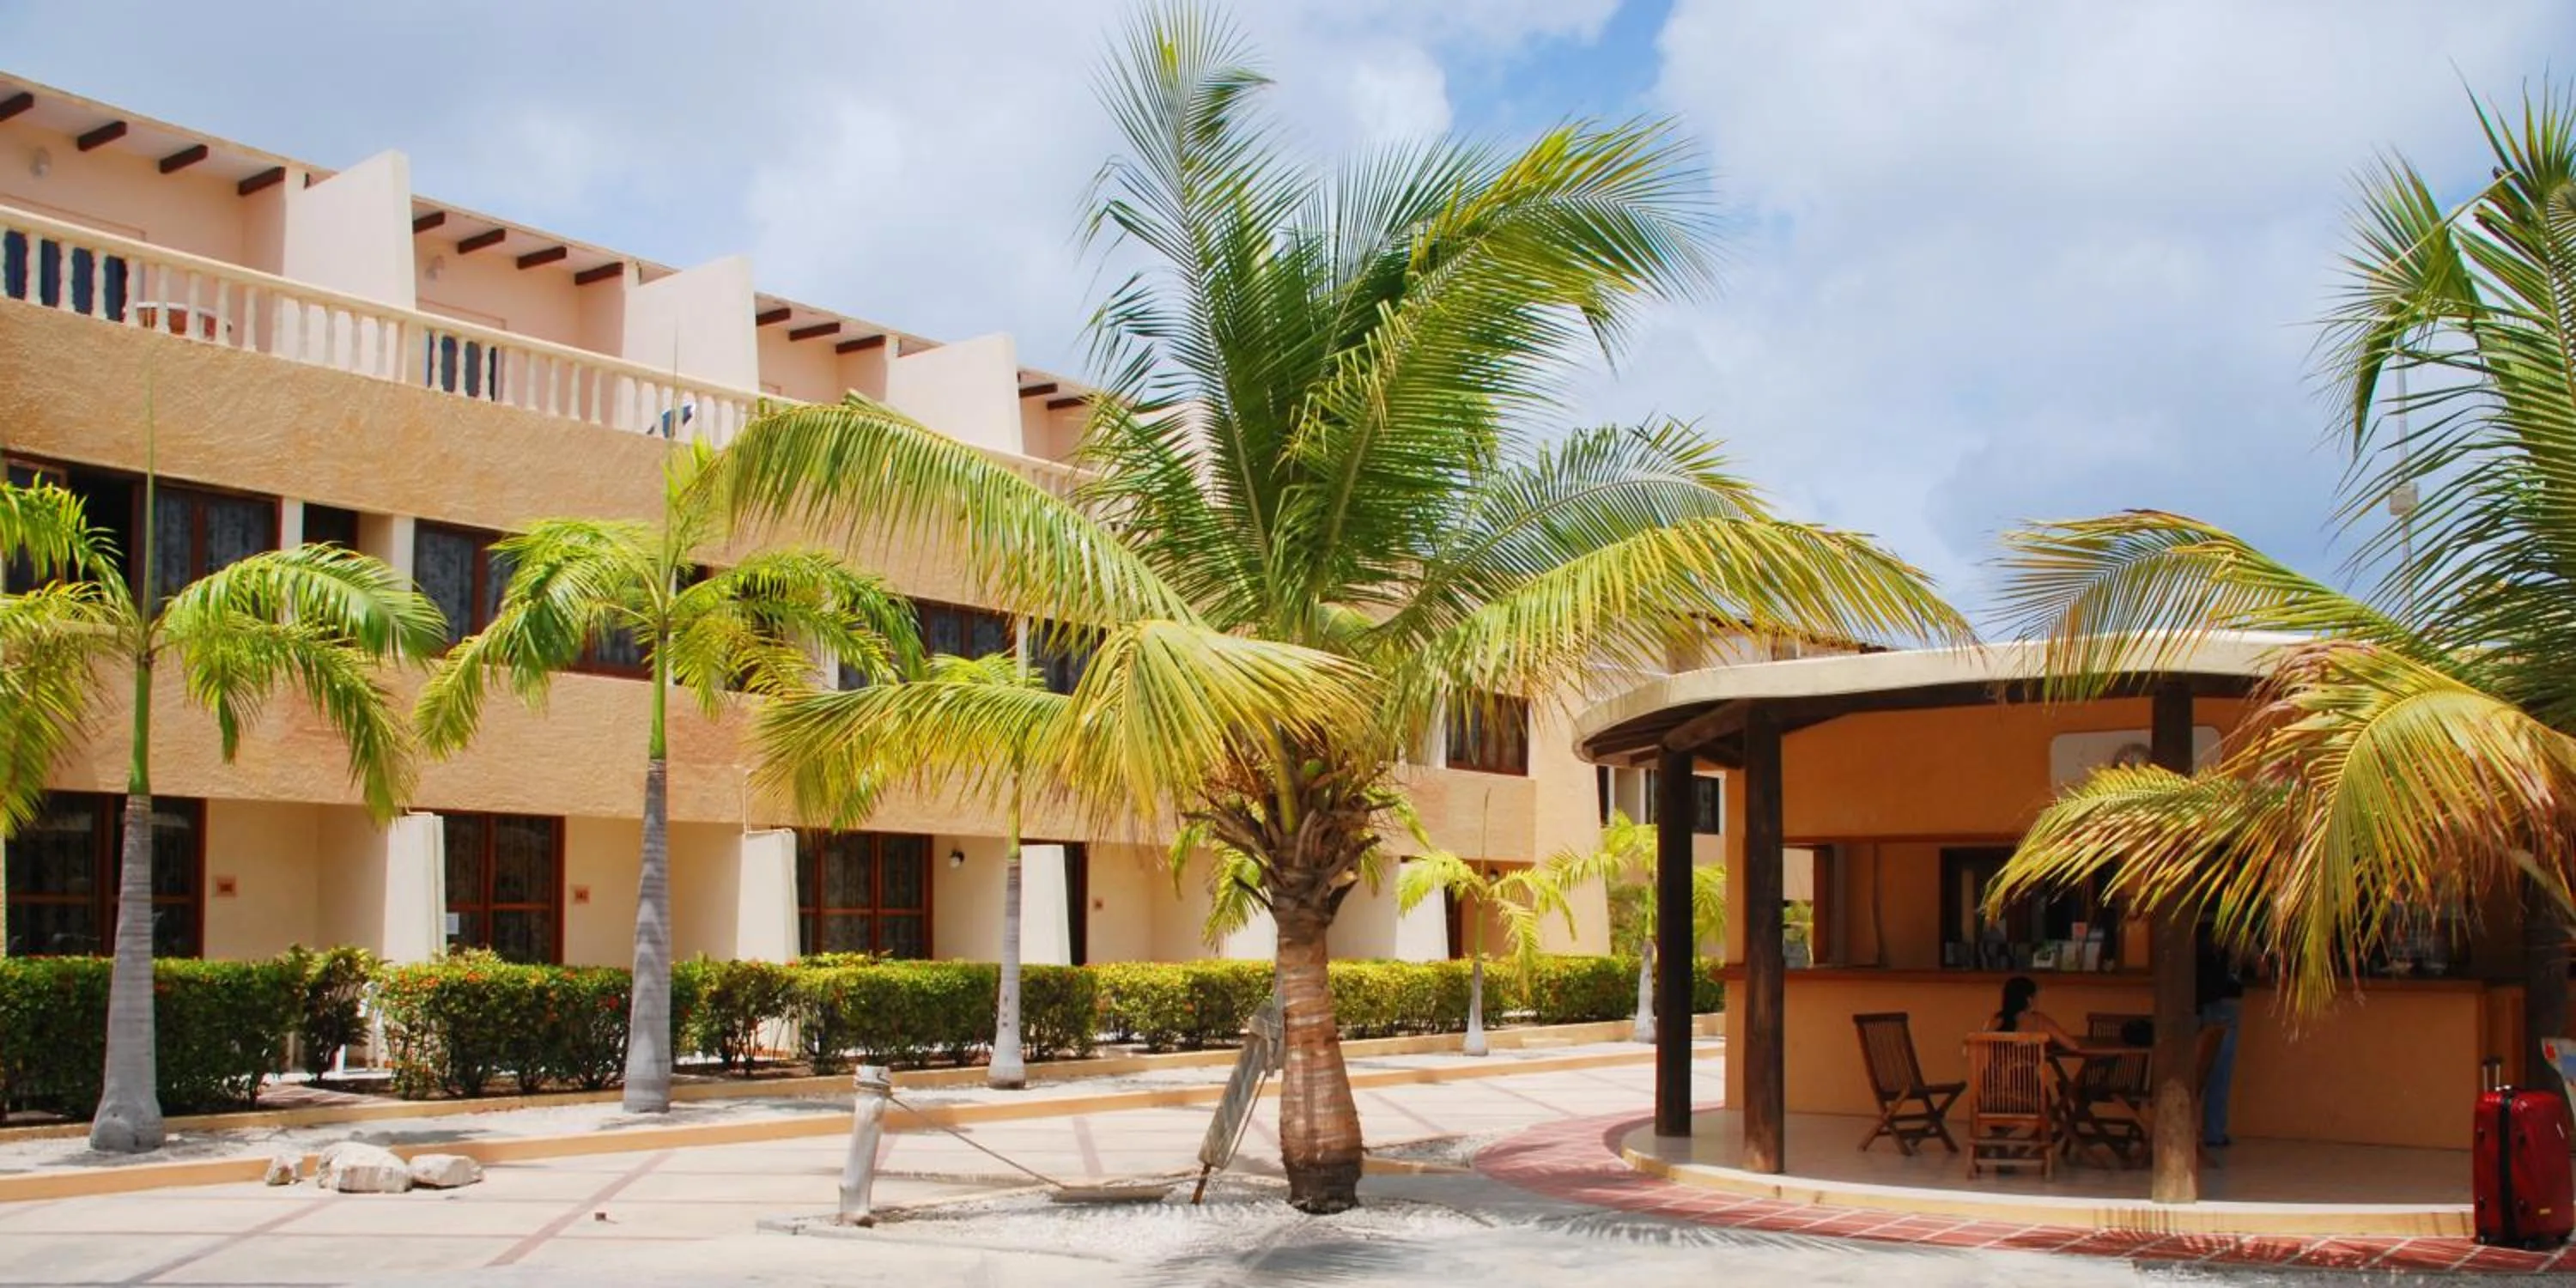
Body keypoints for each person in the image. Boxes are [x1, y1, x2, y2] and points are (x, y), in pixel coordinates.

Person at [2195, 922, 2246, 1148]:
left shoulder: (2186, 920)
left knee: (2191, 1070)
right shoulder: (2236, 923)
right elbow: (2257, 962)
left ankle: (2180, 1129)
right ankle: (2213, 1132)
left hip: (2192, 1004)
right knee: (2219, 1073)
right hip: (2222, 1002)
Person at [1991, 975, 2080, 1048]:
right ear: (2029, 999)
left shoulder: (1994, 1022)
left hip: (1996, 1070)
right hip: (2027, 1069)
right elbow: (2072, 1045)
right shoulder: (2039, 1021)